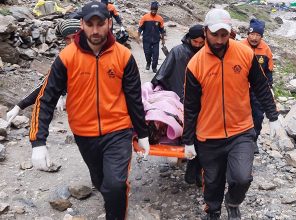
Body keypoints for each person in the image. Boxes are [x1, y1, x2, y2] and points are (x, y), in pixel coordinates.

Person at [28, 2, 150, 219]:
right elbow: (45, 99)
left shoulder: (123, 56)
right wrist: (38, 141)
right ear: (82, 24)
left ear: (109, 23)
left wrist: (142, 133)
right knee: (101, 182)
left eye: (100, 23)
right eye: (90, 24)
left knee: (115, 185)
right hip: (84, 134)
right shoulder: (67, 57)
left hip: (118, 131)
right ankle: (113, 202)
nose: (95, 30)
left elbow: (134, 98)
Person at [182, 9, 283, 220]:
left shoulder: (245, 54)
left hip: (241, 131)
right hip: (209, 135)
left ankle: (233, 202)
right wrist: (188, 140)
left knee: (242, 178)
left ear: (230, 32)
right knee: (212, 181)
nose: (219, 40)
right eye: (214, 34)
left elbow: (261, 86)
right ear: (205, 31)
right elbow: (190, 107)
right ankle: (213, 209)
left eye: (224, 35)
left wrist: (273, 116)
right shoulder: (195, 65)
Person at [151, 24, 205, 187]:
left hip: (200, 98)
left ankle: (194, 165)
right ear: (189, 38)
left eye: (200, 42)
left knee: (200, 131)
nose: (197, 44)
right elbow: (163, 72)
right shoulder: (177, 52)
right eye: (195, 41)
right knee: (183, 127)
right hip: (178, 95)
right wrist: (156, 88)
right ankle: (183, 156)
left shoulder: (206, 54)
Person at [6, 19, 81, 125]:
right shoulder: (65, 57)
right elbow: (47, 83)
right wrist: (19, 106)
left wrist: (63, 94)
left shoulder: (99, 54)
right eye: (68, 39)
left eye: (75, 37)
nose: (72, 42)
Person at [241, 19, 274, 154]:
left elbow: (269, 70)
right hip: (240, 87)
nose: (254, 38)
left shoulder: (265, 49)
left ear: (261, 36)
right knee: (240, 114)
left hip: (258, 89)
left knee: (258, 116)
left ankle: (253, 140)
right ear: (248, 34)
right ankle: (239, 140)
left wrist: (269, 86)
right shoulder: (240, 46)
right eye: (252, 34)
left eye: (258, 35)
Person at [137, 1, 165, 73]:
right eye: (152, 10)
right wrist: (138, 37)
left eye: (155, 10)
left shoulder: (160, 19)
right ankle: (148, 63)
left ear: (157, 10)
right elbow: (140, 28)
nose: (153, 12)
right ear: (150, 9)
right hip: (146, 39)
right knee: (147, 53)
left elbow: (162, 30)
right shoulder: (145, 17)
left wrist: (163, 39)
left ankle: (154, 67)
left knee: (156, 55)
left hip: (156, 40)